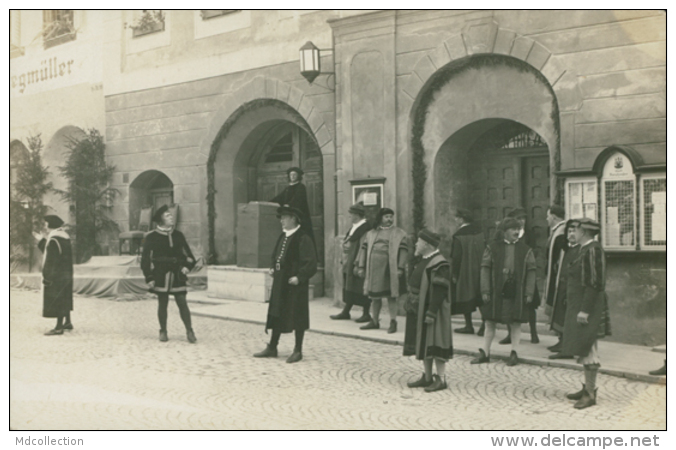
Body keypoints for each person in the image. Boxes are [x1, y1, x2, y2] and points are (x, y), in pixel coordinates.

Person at [254, 205, 317, 363]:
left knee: (297, 316)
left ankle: (298, 350)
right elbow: (276, 255)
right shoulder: (283, 235)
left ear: (293, 218)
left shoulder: (303, 237)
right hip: (280, 282)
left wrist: (299, 277)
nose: (281, 220)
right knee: (277, 312)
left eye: (284, 217)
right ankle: (272, 346)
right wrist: (272, 267)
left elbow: (311, 263)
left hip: (294, 284)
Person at [471, 218, 536, 367]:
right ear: (505, 232)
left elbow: (532, 272)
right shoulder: (492, 248)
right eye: (513, 229)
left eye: (518, 229)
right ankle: (485, 352)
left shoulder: (526, 250)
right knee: (489, 321)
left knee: (515, 322)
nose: (516, 232)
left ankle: (514, 353)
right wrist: (485, 289)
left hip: (516, 291)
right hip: (495, 290)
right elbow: (485, 269)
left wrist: (529, 292)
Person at [562, 218, 611, 409]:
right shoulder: (584, 249)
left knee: (589, 348)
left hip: (587, 307)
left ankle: (590, 394)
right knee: (584, 346)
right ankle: (587, 388)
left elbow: (594, 283)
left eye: (577, 230)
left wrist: (585, 310)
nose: (574, 233)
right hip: (579, 305)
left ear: (585, 233)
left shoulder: (593, 250)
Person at [403, 229, 453, 393]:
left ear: (426, 245)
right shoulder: (425, 259)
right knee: (425, 343)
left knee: (436, 343)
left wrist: (431, 312)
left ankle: (441, 379)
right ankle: (427, 377)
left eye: (419, 242)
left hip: (433, 311)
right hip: (420, 308)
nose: (416, 244)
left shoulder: (439, 262)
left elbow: (440, 290)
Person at [141, 205, 197, 343]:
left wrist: (186, 267)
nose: (171, 217)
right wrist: (149, 277)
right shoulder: (151, 237)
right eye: (167, 215)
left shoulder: (178, 235)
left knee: (182, 302)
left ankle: (189, 330)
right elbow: (145, 261)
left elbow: (190, 256)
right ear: (160, 220)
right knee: (163, 303)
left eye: (171, 215)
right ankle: (163, 331)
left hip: (177, 274)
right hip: (160, 274)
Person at [356, 208, 408, 334]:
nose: (389, 219)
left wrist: (400, 268)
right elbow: (363, 250)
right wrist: (361, 266)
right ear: (380, 218)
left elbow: (403, 251)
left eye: (391, 216)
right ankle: (374, 321)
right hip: (373, 269)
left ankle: (393, 322)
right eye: (386, 217)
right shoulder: (371, 233)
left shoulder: (399, 233)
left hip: (389, 269)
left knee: (391, 296)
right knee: (375, 297)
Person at [499, 207, 540, 344]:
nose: (522, 221)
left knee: (530, 303)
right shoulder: (506, 234)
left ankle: (534, 333)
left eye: (524, 219)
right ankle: (510, 333)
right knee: (508, 303)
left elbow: (534, 250)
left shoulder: (529, 234)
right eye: (519, 219)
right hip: (511, 275)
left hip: (525, 273)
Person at [331, 202, 372, 323]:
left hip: (357, 260)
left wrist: (359, 263)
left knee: (361, 286)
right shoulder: (355, 227)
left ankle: (366, 313)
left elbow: (363, 246)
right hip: (349, 260)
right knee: (350, 285)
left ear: (357, 215)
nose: (350, 217)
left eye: (352, 214)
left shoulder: (365, 228)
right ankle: (346, 311)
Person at [34, 215, 73, 336]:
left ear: (50, 225)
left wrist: (47, 277)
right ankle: (67, 322)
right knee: (65, 297)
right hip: (66, 273)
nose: (45, 226)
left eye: (46, 224)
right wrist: (41, 240)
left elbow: (51, 259)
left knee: (58, 299)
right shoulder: (63, 237)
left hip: (57, 275)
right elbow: (51, 250)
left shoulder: (54, 239)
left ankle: (58, 327)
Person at [547, 219, 580, 360]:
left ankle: (568, 349)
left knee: (570, 319)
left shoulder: (580, 249)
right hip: (563, 287)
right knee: (562, 316)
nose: (571, 234)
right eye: (569, 231)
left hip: (572, 290)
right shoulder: (568, 248)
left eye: (574, 232)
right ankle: (563, 344)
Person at [450, 208, 485, 335]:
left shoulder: (458, 235)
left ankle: (469, 325)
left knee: (465, 294)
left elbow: (456, 257)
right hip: (481, 269)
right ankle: (484, 324)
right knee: (481, 296)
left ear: (461, 219)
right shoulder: (480, 232)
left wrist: (454, 273)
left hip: (465, 270)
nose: (455, 220)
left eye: (457, 217)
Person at [543, 205, 568, 352]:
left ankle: (563, 340)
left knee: (558, 307)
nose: (546, 219)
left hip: (558, 277)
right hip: (554, 274)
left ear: (554, 217)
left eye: (548, 216)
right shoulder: (558, 231)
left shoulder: (561, 232)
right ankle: (561, 339)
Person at [270, 167, 314, 242]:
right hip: (289, 214)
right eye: (291, 175)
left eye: (294, 175)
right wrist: (270, 202)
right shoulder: (288, 188)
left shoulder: (301, 187)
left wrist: (289, 205)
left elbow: (298, 199)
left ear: (298, 176)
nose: (292, 176)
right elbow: (280, 198)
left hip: (298, 215)